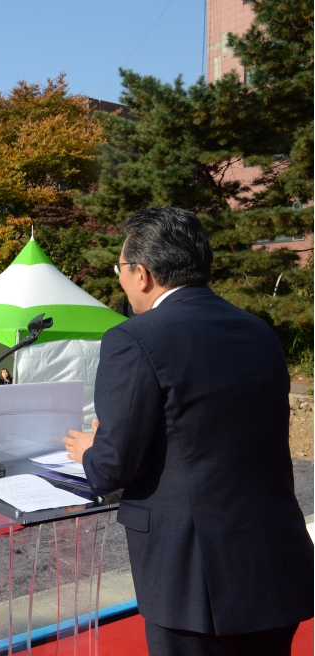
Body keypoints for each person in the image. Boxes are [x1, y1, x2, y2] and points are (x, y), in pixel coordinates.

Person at [63, 207, 312, 656]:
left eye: (120, 270)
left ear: (142, 274)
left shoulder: (134, 338)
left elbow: (113, 466)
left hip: (193, 573)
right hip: (275, 558)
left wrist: (92, 448)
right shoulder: (258, 331)